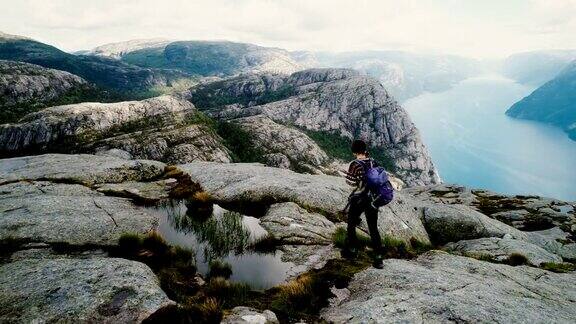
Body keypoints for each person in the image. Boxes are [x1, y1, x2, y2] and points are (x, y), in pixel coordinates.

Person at [343, 139, 384, 269]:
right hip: (373, 199)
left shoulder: (355, 164)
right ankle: (378, 258)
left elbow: (350, 183)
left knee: (351, 222)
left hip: (359, 199)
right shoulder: (373, 162)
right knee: (373, 228)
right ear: (365, 150)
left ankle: (352, 251)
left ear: (354, 151)